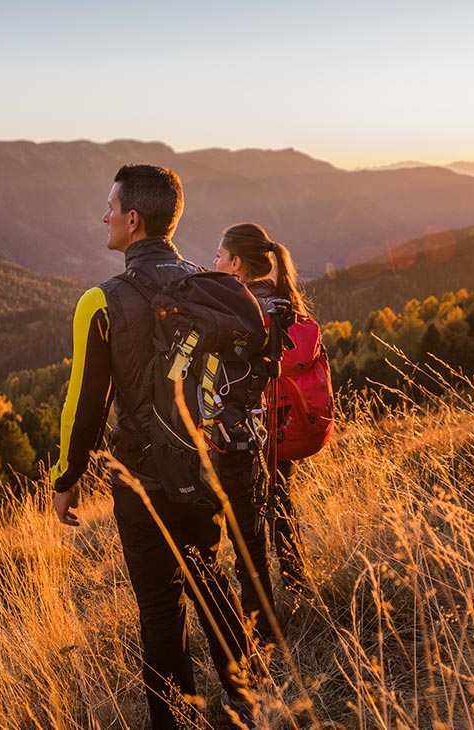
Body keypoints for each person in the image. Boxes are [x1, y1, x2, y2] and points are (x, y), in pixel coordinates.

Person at [51, 165, 256, 729]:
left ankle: (177, 721)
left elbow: (84, 406)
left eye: (110, 207)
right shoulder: (211, 287)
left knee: (160, 607)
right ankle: (246, 702)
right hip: (204, 463)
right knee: (210, 578)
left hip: (141, 477)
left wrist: (66, 481)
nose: (104, 216)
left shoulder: (102, 301)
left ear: (133, 219)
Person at [213, 222, 313, 628]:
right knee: (280, 506)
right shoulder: (285, 305)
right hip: (281, 428)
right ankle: (298, 584)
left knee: (244, 531)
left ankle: (259, 624)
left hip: (240, 435)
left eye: (219, 256)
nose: (214, 262)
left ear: (236, 263)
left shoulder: (234, 311)